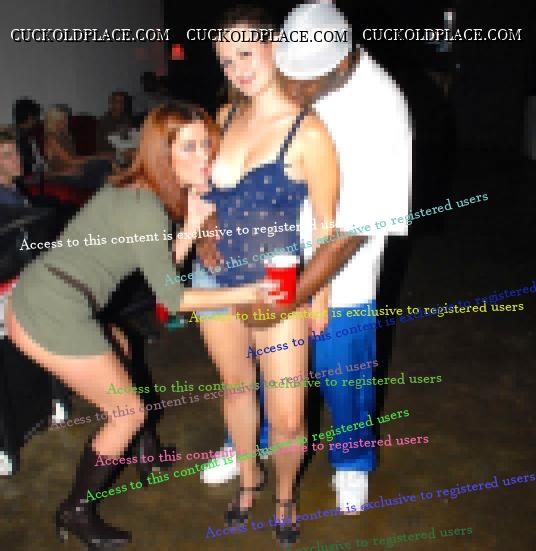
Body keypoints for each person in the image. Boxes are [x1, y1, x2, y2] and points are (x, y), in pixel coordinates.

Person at [5, 102, 276, 549]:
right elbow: (172, 298)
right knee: (126, 412)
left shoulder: (138, 190)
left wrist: (190, 226)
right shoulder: (145, 206)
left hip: (54, 296)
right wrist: (247, 293)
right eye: (189, 147)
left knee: (122, 347)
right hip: (51, 311)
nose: (205, 156)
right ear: (161, 153)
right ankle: (76, 509)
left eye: (207, 143)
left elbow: (159, 273)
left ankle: (145, 454)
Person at [191, 5, 364, 545]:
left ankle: (285, 495)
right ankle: (249, 481)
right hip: (216, 280)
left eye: (247, 52)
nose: (238, 69)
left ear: (274, 47)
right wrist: (203, 230)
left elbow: (328, 227)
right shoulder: (222, 117)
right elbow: (203, 193)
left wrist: (319, 298)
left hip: (279, 288)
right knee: (236, 390)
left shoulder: (309, 132)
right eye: (226, 61)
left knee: (288, 417)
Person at [276, 1, 413, 513]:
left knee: (344, 372)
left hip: (345, 266)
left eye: (304, 84)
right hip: (280, 250)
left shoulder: (382, 106)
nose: (293, 92)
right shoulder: (296, 77)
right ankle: (262, 438)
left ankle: (352, 463)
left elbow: (358, 228)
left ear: (340, 63)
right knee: (275, 361)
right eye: (287, 78)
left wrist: (298, 293)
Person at [43, 104, 112, 188]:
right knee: (102, 164)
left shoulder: (66, 136)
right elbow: (71, 161)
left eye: (66, 119)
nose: (65, 122)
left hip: (75, 170)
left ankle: (112, 187)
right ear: (52, 121)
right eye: (61, 119)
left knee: (103, 169)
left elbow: (75, 157)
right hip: (64, 175)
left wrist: (98, 156)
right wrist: (98, 157)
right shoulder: (51, 139)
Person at [13, 98, 43, 177]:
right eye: (36, 117)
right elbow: (29, 164)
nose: (37, 120)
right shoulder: (23, 138)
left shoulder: (21, 134)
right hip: (25, 177)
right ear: (30, 117)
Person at [0, 126, 26, 206]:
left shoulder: (11, 187)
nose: (17, 159)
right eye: (7, 155)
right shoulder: (8, 200)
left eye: (16, 152)